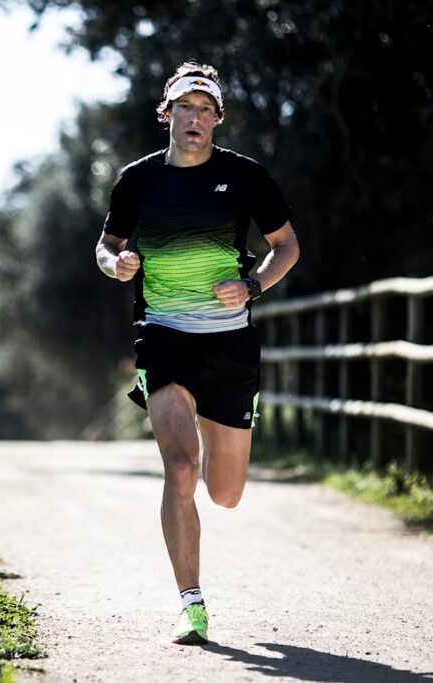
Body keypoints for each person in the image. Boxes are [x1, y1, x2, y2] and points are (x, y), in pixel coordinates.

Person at [95, 61, 300, 645]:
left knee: (226, 493)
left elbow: (286, 246)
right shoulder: (136, 181)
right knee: (180, 467)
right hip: (163, 336)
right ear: (167, 114)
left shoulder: (246, 177)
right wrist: (118, 265)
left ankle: (219, 430)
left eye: (206, 109)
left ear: (217, 119)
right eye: (185, 107)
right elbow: (106, 247)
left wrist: (254, 285)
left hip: (230, 342)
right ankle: (191, 603)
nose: (195, 119)